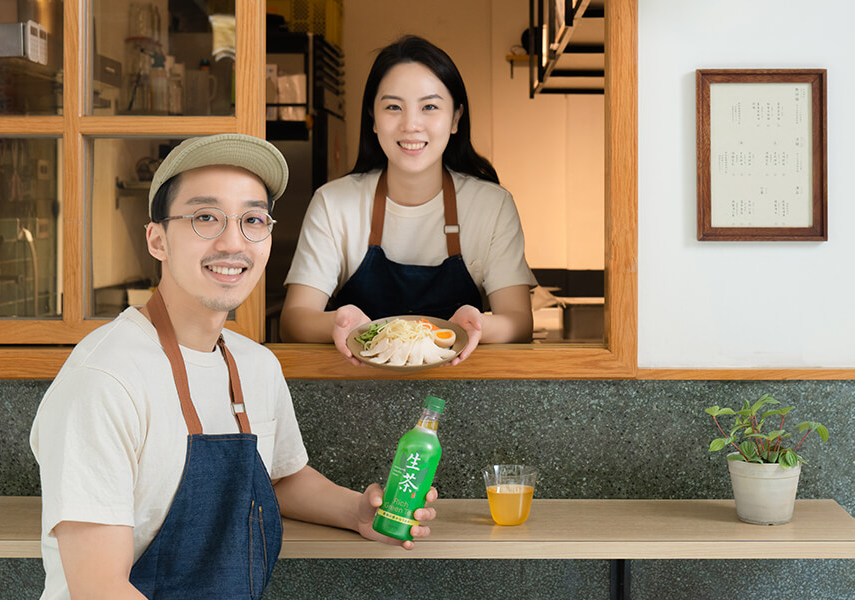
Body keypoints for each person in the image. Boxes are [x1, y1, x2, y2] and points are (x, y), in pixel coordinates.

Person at [29, 134, 438, 600]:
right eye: (206, 217)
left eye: (252, 220)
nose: (232, 242)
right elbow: (99, 588)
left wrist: (359, 512)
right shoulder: (104, 381)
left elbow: (279, 478)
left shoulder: (255, 365)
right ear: (157, 239)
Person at [279, 35, 537, 365]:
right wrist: (338, 322)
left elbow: (519, 321)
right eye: (393, 107)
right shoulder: (334, 203)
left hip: (460, 392)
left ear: (456, 118)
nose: (411, 125)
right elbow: (294, 319)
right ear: (372, 118)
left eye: (429, 107)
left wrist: (478, 325)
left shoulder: (492, 206)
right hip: (355, 393)